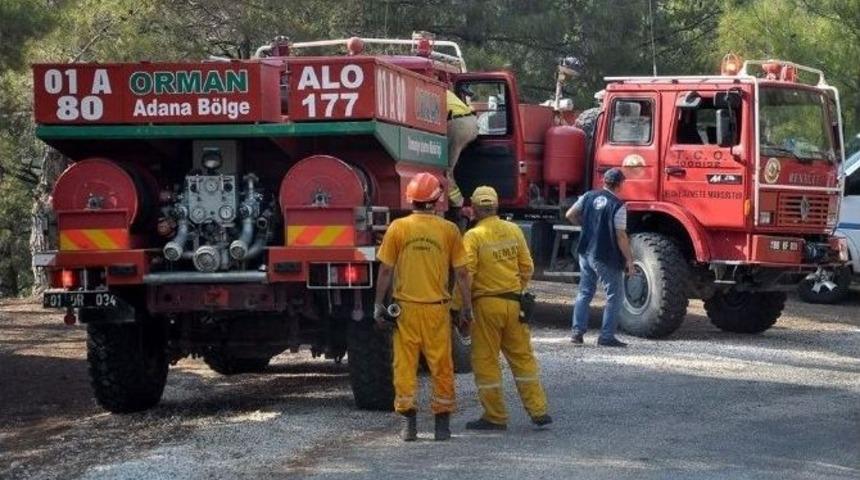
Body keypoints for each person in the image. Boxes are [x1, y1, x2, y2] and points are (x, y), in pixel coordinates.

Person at [373, 172, 473, 442]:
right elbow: (462, 273)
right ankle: (442, 425)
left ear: (411, 199)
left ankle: (409, 425)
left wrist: (378, 304)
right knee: (441, 365)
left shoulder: (398, 228)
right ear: (436, 199)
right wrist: (466, 306)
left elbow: (385, 271)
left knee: (404, 365)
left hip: (405, 310)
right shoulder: (449, 230)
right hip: (437, 310)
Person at [462, 186, 552, 431]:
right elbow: (527, 266)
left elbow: (467, 274)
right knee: (523, 358)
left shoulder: (473, 236)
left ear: (475, 208)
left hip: (486, 306)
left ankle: (495, 416)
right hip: (514, 304)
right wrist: (517, 289)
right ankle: (538, 409)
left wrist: (463, 306)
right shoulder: (513, 230)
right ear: (496, 206)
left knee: (486, 361)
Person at [565, 167, 634, 347]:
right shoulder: (618, 206)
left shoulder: (588, 196)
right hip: (604, 255)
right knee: (615, 296)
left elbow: (569, 214)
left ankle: (577, 333)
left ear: (604, 182)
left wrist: (585, 226)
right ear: (619, 185)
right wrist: (630, 260)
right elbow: (621, 236)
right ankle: (606, 336)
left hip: (585, 251)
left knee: (585, 292)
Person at [446, 88, 479, 210]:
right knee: (452, 164)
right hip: (471, 122)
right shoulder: (445, 91)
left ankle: (457, 205)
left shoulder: (427, 88)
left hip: (457, 125)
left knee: (445, 172)